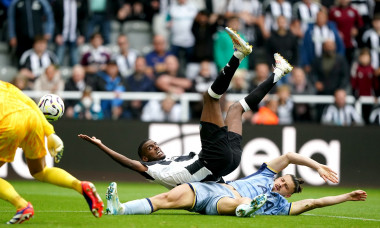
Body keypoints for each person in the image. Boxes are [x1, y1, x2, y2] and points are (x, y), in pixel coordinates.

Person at [78, 27, 293, 190]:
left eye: (154, 144)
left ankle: (278, 73)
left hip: (228, 162)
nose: (156, 147)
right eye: (150, 149)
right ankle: (238, 54)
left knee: (236, 109)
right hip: (213, 159)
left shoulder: (170, 161)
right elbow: (126, 162)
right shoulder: (151, 170)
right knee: (209, 98)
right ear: (144, 159)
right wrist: (100, 145)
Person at [105, 151, 366, 217]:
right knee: (166, 199)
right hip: (213, 189)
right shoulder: (265, 175)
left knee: (241, 202)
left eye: (285, 187)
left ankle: (246, 209)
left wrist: (346, 196)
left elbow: (314, 202)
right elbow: (288, 156)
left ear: (287, 194)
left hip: (224, 202)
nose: (280, 185)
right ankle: (120, 209)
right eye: (282, 180)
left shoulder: (279, 205)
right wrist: (318, 166)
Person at [0, 80, 104, 224]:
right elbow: (30, 103)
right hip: (32, 119)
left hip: (7, 123)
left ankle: (22, 206)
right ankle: (80, 185)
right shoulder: (4, 85)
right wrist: (50, 133)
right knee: (39, 171)